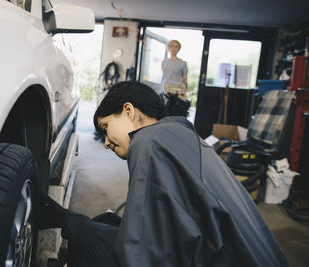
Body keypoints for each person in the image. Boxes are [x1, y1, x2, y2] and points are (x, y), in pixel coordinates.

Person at [39, 81, 288, 267]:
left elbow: (141, 253)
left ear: (128, 111)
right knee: (107, 222)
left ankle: (72, 222)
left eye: (106, 129)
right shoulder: (178, 134)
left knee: (86, 237)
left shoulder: (148, 141)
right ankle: (72, 220)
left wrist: (82, 230)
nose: (105, 143)